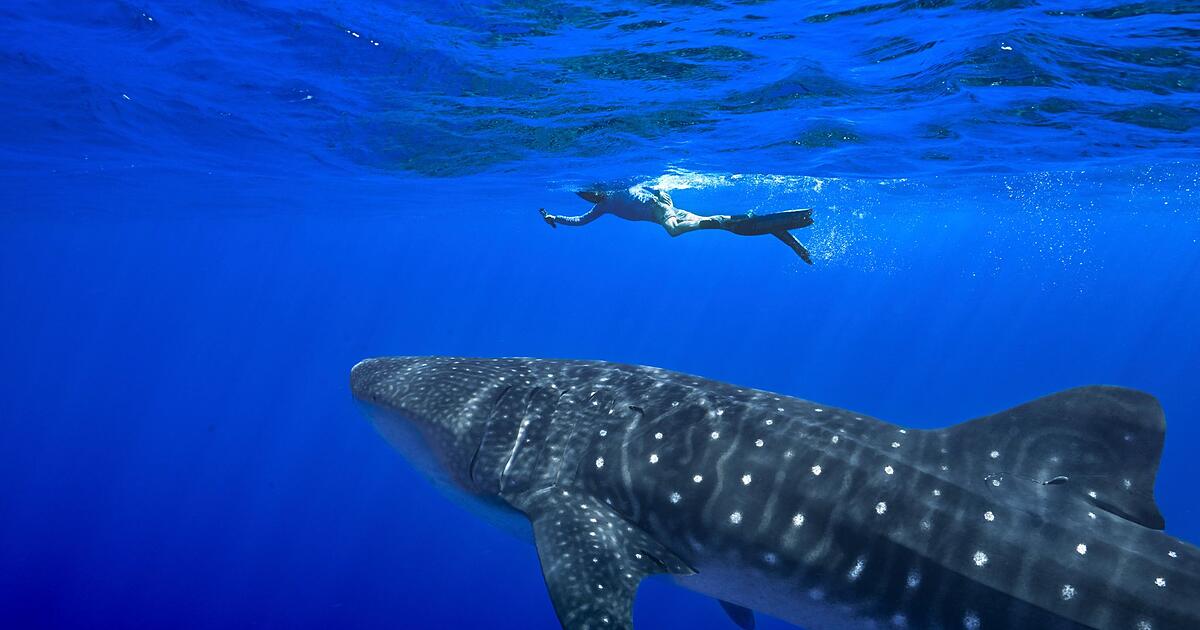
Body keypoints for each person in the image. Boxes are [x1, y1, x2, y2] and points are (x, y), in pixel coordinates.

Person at [538, 184, 814, 264]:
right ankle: (770, 227)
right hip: (668, 211)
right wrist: (556, 219)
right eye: (586, 196)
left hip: (665, 213)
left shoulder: (619, 189)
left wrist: (661, 193)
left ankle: (718, 221)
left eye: (589, 193)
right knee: (733, 227)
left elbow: (654, 185)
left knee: (673, 232)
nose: (590, 197)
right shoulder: (603, 206)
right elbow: (581, 220)